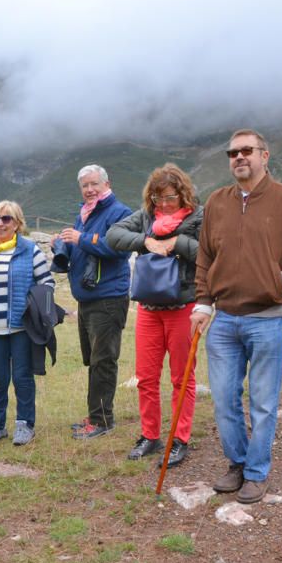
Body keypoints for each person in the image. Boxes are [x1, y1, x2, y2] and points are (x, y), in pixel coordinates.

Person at [190, 129, 282, 504]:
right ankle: (237, 463)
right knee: (224, 398)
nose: (238, 158)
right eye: (232, 153)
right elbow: (205, 257)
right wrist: (203, 302)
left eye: (246, 151)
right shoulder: (216, 202)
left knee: (263, 400)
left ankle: (257, 472)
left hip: (269, 317)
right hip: (225, 317)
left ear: (265, 156)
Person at [107, 164, 203, 467]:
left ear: (183, 194)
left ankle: (179, 438)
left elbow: (208, 252)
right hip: (149, 308)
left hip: (183, 308)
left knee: (182, 378)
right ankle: (150, 436)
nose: (163, 204)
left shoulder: (199, 217)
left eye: (169, 198)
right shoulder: (146, 218)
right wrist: (145, 241)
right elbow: (114, 235)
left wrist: (177, 243)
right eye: (157, 198)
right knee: (146, 378)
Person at [56, 165, 133, 439]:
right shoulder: (85, 214)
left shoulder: (120, 213)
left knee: (104, 360)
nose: (89, 190)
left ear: (106, 184)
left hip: (109, 298)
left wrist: (81, 238)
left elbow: (118, 248)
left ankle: (102, 421)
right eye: (84, 186)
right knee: (94, 359)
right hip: (88, 299)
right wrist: (65, 243)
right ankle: (95, 414)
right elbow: (85, 247)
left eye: (93, 184)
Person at [0, 200, 55, 446]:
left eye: (6, 219)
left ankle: (25, 425)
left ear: (17, 223)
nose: (0, 223)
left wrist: (40, 312)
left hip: (21, 328)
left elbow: (47, 284)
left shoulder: (30, 250)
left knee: (21, 377)